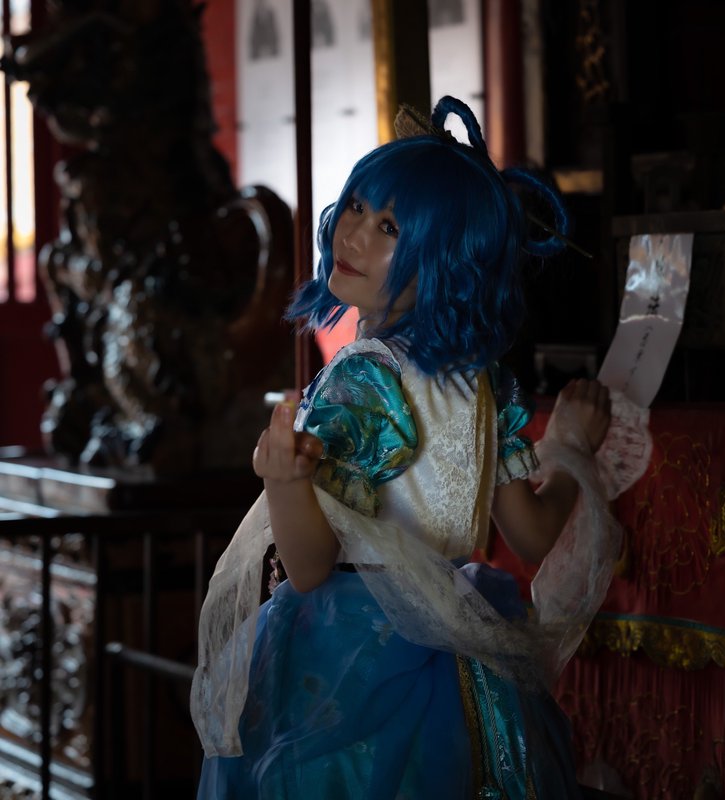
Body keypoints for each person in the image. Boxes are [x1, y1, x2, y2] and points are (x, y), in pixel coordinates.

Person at [191, 96, 633, 798]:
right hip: (462, 661)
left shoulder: (360, 379)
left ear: (447, 264)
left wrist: (283, 482)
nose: (353, 232)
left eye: (389, 226)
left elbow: (308, 568)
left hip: (349, 658)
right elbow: (532, 535)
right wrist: (571, 448)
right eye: (358, 206)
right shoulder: (485, 383)